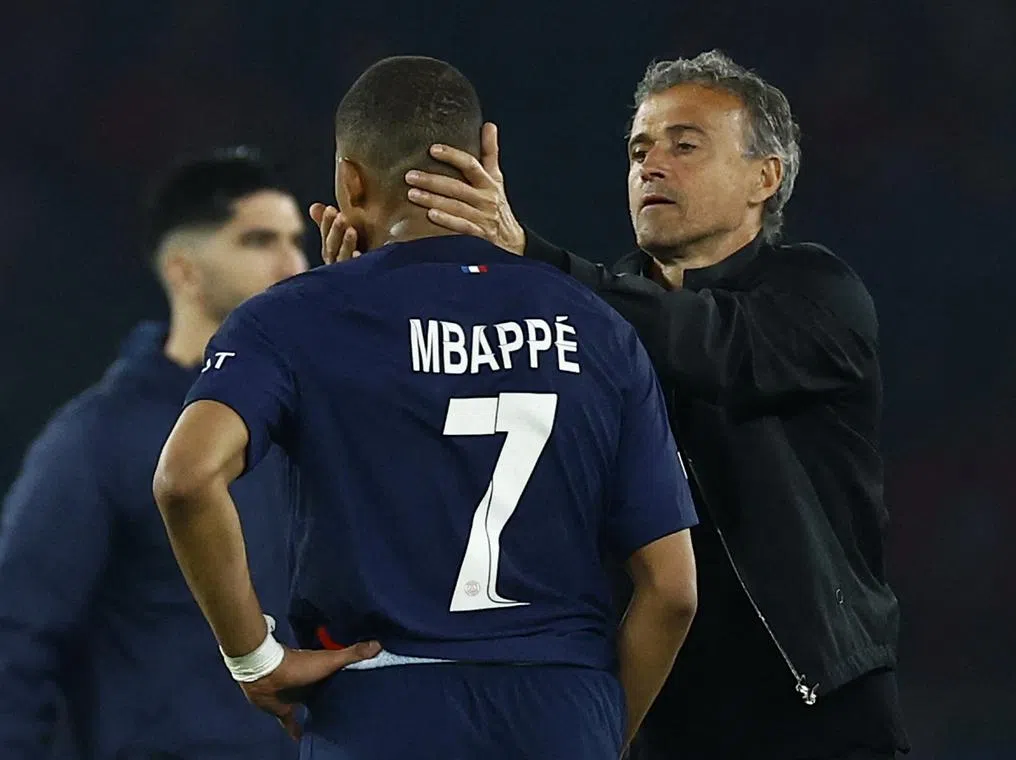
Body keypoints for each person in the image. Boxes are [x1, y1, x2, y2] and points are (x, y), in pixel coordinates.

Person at [341, 49, 908, 759]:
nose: (652, 164)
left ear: (767, 177)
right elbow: (462, 436)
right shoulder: (585, 311)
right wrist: (366, 309)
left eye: (685, 145)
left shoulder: (817, 293)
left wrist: (530, 256)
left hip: (813, 710)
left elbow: (711, 346)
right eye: (639, 148)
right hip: (649, 710)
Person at [151, 55, 699, 760]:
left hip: (383, 708)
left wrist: (255, 658)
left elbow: (186, 478)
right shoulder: (599, 328)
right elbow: (674, 591)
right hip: (562, 705)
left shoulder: (297, 320)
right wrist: (596, 733)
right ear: (486, 159)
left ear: (350, 180)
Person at [0, 149, 308, 759]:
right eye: (258, 241)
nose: (293, 264)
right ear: (183, 270)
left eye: (296, 240)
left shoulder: (309, 424)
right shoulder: (99, 437)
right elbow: (16, 641)